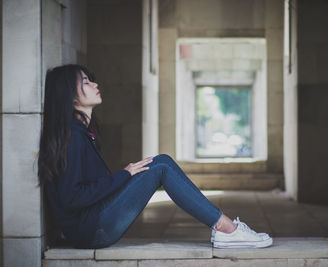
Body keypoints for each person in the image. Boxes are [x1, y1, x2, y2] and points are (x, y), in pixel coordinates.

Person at [38, 64, 273, 249]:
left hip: (93, 224)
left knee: (160, 162)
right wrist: (124, 175)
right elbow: (72, 197)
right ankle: (227, 230)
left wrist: (124, 177)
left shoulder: (81, 132)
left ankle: (225, 228)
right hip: (90, 231)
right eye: (86, 82)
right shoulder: (72, 135)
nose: (95, 84)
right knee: (162, 166)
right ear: (70, 95)